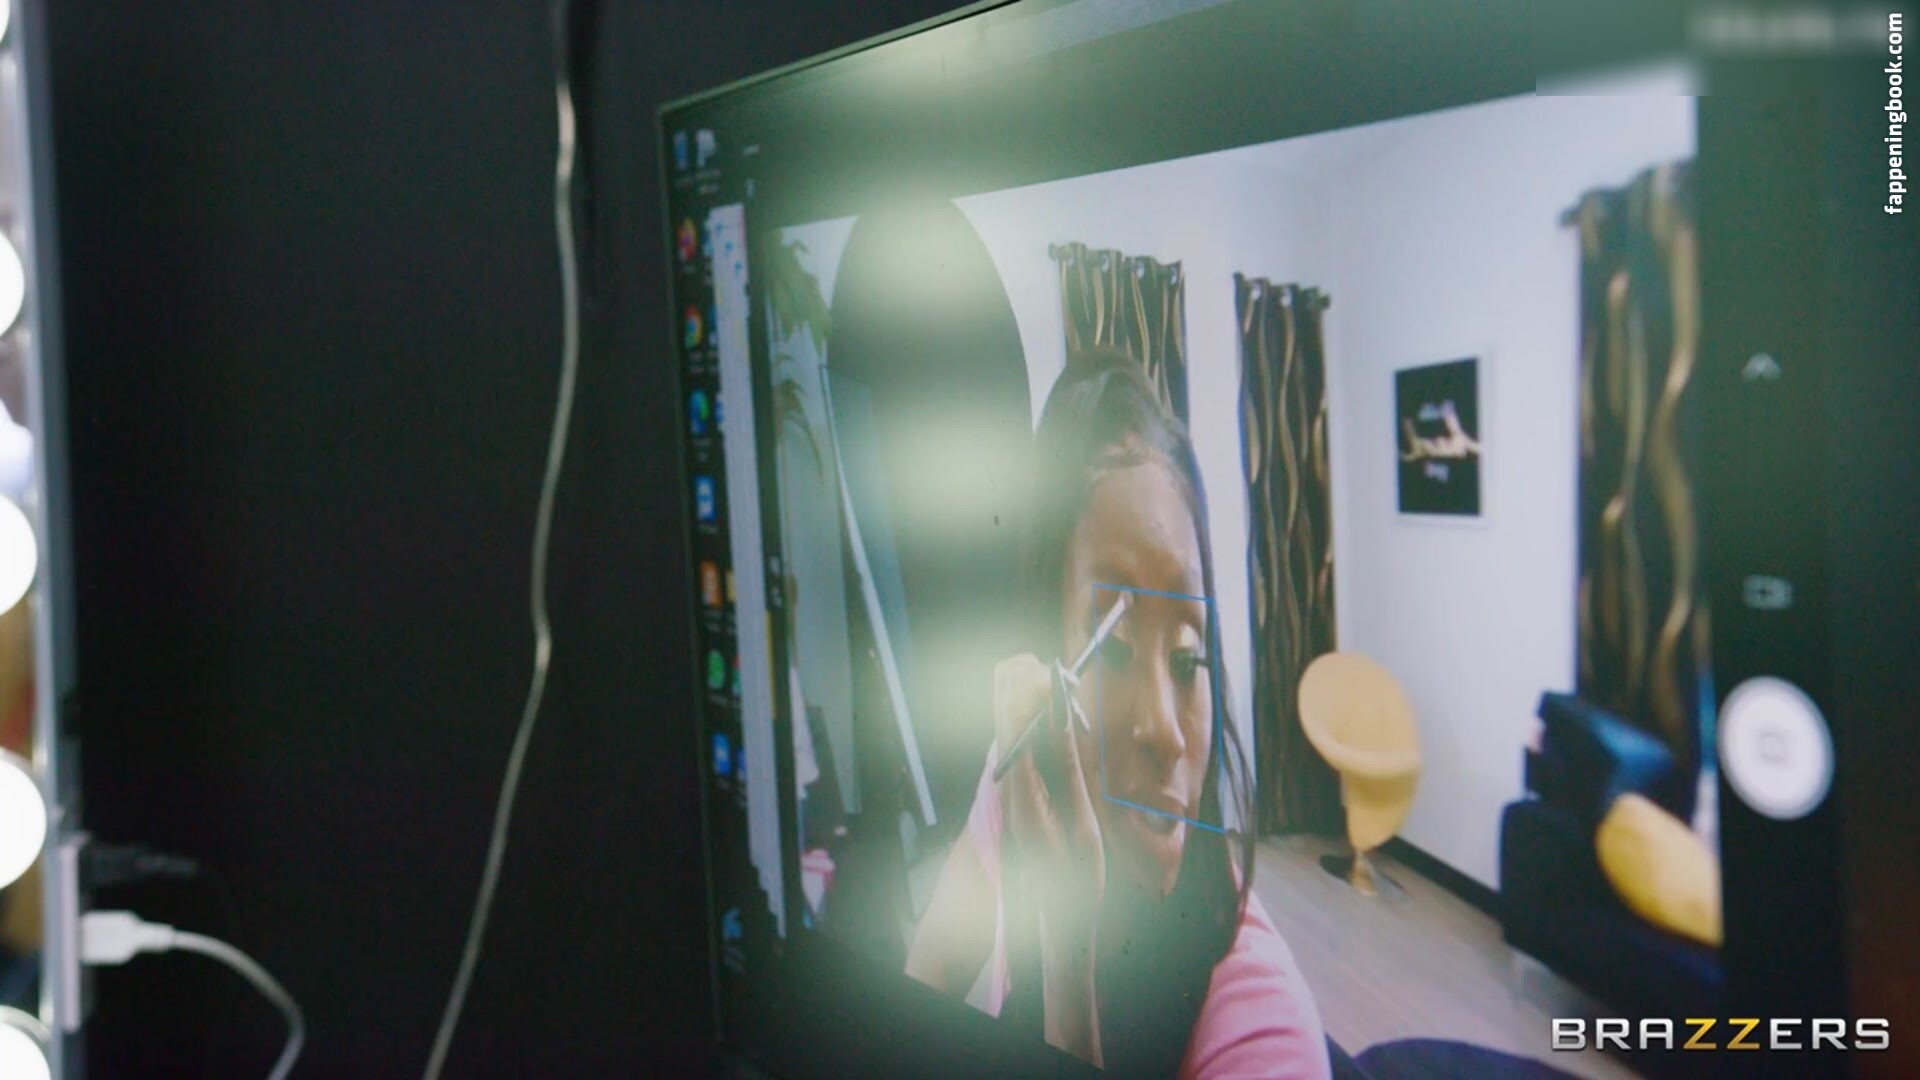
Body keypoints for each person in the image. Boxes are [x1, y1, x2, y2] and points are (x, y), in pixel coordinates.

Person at [905, 347, 1329, 1078]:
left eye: (1189, 660)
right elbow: (922, 989)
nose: (1164, 730)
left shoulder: (1266, 1035)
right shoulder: (1017, 787)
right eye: (1116, 651)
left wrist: (1066, 963)